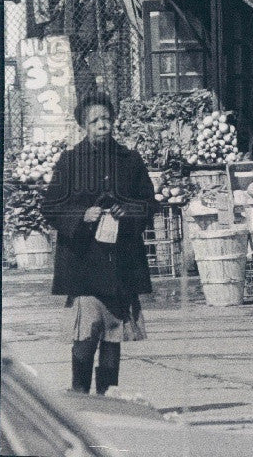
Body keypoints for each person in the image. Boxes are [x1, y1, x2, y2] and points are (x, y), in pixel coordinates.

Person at [42, 91, 158, 395]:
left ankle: (108, 399)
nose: (102, 125)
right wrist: (82, 215)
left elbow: (148, 203)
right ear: (84, 125)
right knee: (84, 337)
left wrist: (128, 210)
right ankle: (79, 395)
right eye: (95, 121)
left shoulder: (130, 160)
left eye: (107, 119)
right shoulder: (69, 162)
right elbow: (51, 207)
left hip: (120, 265)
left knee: (112, 338)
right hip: (83, 266)